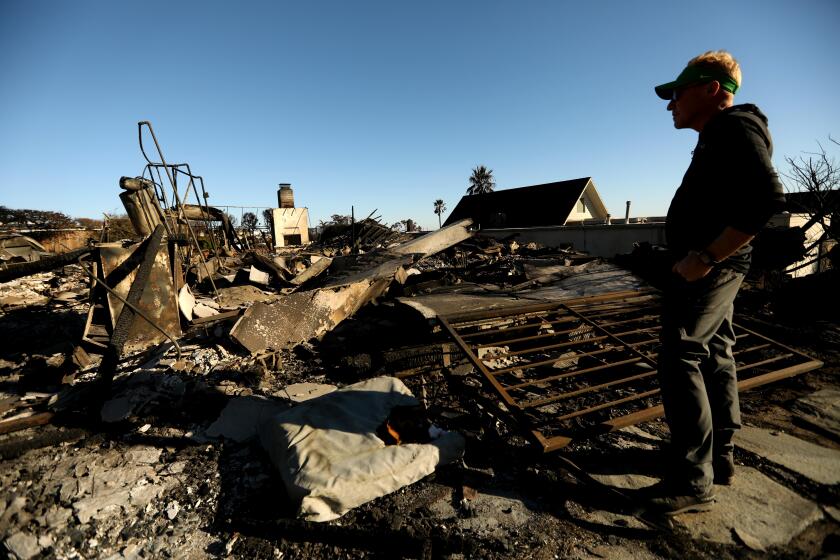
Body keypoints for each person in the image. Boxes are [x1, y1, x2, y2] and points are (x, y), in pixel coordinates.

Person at [647, 50, 786, 515]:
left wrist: (706, 256)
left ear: (711, 89)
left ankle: (691, 480)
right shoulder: (719, 135)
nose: (671, 105)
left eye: (677, 94)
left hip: (710, 267)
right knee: (715, 352)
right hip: (715, 265)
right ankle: (719, 459)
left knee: (679, 353)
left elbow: (767, 197)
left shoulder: (733, 127)